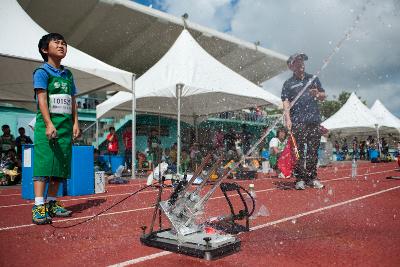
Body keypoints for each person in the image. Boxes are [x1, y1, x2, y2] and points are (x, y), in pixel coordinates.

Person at [32, 33, 80, 224]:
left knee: (60, 167)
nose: (61, 45)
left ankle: (51, 202)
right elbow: (42, 99)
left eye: (64, 43)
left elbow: (73, 101)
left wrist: (76, 123)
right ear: (45, 50)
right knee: (44, 166)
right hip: (47, 127)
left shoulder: (68, 74)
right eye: (57, 43)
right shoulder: (41, 73)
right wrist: (49, 123)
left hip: (65, 128)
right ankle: (38, 206)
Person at [281, 53, 326, 190]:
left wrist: (317, 94)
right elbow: (285, 101)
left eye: (302, 61)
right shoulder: (288, 83)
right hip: (298, 121)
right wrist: (288, 119)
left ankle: (312, 178)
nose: (301, 63)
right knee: (298, 151)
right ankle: (300, 178)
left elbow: (323, 95)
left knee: (313, 151)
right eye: (298, 61)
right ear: (291, 66)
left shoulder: (313, 79)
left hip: (313, 120)